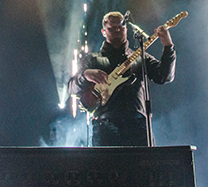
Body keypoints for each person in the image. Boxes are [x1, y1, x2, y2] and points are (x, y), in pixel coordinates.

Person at [68, 11, 175, 146]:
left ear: (126, 28)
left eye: (121, 27)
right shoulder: (93, 59)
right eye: (112, 28)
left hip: (138, 126)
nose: (117, 30)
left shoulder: (140, 57)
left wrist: (168, 46)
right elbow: (71, 87)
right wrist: (85, 75)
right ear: (103, 31)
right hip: (106, 127)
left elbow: (165, 76)